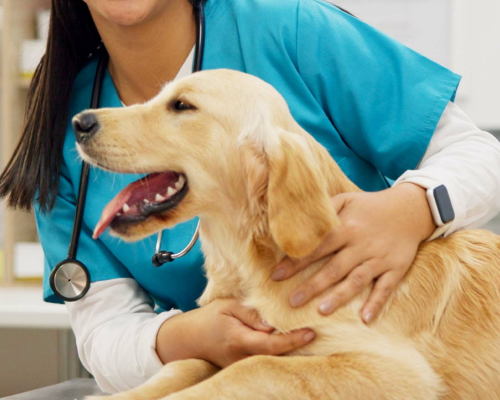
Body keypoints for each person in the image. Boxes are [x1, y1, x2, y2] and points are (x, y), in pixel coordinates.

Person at [1, 0, 500, 393]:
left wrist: (411, 209)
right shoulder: (64, 123)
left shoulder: (291, 29)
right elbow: (103, 336)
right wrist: (189, 338)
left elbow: (480, 153)